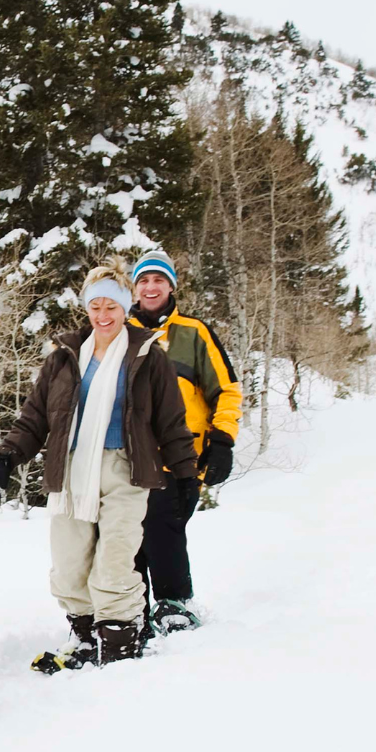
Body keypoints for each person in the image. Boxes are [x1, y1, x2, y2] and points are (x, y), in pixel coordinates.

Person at [0, 260, 197, 671]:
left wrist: (185, 473)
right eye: (95, 306)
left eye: (111, 307)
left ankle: (119, 645)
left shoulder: (148, 355)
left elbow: (171, 422)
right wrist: (7, 458)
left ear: (125, 307)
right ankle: (84, 638)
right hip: (72, 471)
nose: (103, 315)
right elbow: (35, 417)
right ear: (86, 308)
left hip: (126, 471)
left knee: (116, 562)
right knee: (68, 567)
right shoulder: (64, 358)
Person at [126, 249, 242, 633]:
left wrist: (222, 440)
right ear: (134, 288)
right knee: (126, 533)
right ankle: (131, 605)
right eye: (143, 280)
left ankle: (174, 601)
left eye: (158, 279)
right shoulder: (117, 332)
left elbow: (226, 389)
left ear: (171, 286)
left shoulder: (193, 333)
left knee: (164, 525)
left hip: (180, 456)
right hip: (126, 458)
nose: (150, 286)